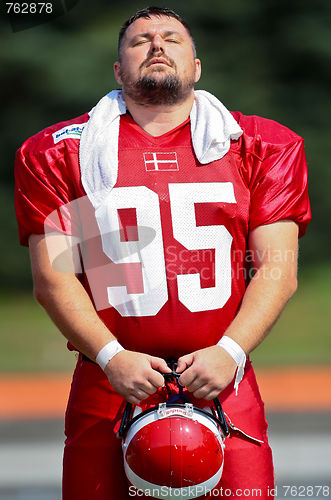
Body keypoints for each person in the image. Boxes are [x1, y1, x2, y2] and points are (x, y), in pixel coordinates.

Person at [14, 6, 311, 500]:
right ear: (117, 70)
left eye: (172, 38)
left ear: (197, 66)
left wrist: (229, 353)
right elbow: (54, 278)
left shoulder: (261, 145)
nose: (156, 45)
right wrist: (111, 358)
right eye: (140, 40)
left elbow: (277, 271)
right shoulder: (58, 153)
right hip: (110, 380)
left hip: (221, 379)